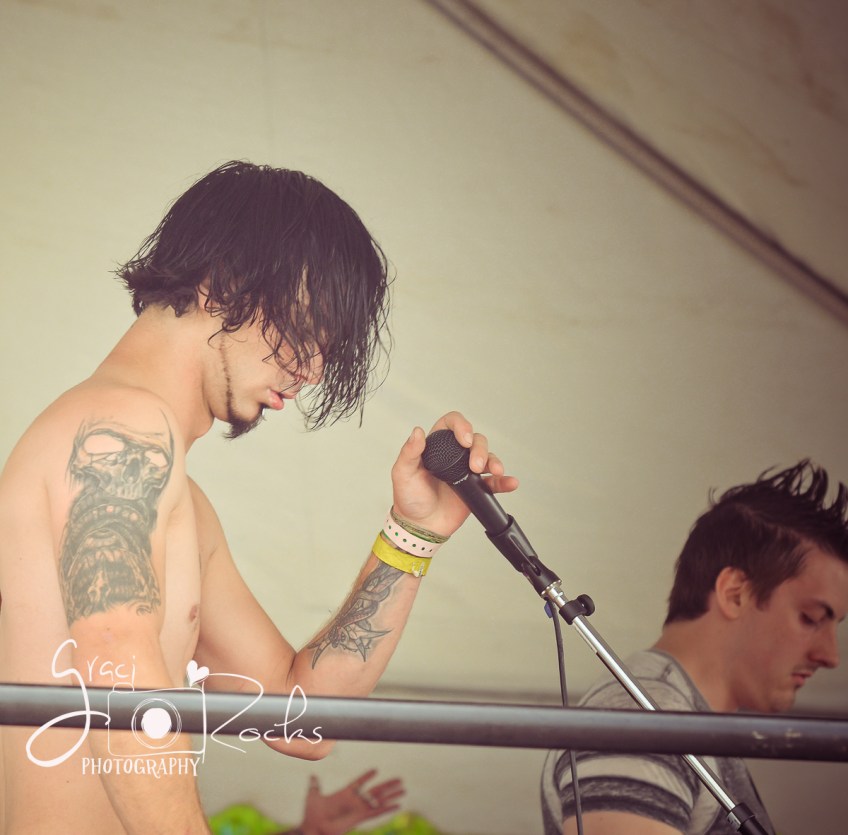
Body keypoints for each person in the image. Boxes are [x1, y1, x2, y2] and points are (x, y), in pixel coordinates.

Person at [0, 160, 518, 834]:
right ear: (223, 280)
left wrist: (412, 533)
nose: (312, 369)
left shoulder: (184, 500)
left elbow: (301, 721)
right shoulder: (121, 430)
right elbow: (117, 673)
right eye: (308, 326)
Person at [541, 461, 848, 835]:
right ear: (735, 594)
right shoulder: (646, 721)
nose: (830, 656)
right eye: (811, 618)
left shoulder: (678, 719)